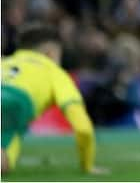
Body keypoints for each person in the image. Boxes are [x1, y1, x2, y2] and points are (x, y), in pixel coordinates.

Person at [1, 24, 108, 175]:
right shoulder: (55, 72)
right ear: (50, 53)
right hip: (13, 104)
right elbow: (83, 128)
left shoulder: (4, 61)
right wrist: (87, 166)